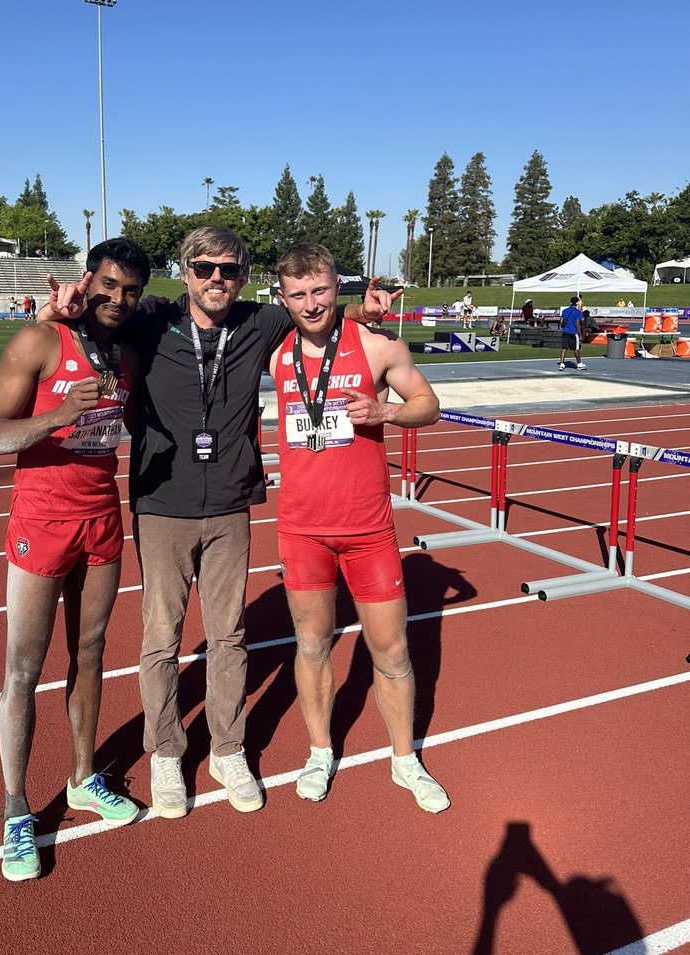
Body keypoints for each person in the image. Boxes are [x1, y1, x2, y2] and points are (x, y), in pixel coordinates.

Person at [39, 226, 396, 820]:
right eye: (204, 268)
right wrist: (66, 317)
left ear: (242, 276)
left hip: (230, 503)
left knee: (229, 634)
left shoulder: (260, 323)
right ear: (185, 271)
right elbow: (94, 324)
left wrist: (362, 307)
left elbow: (314, 314)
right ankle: (164, 753)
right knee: (162, 637)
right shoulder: (149, 317)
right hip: (162, 504)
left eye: (228, 270)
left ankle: (228, 749)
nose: (215, 279)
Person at [0, 238, 151, 882]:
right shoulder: (39, 342)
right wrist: (55, 414)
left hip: (103, 516)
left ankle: (82, 777)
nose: (118, 299)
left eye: (130, 291)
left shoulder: (127, 351)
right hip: (41, 520)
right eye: (107, 285)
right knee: (23, 669)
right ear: (88, 279)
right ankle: (17, 809)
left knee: (92, 651)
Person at [269, 243, 449, 813]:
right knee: (312, 644)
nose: (311, 303)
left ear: (336, 287)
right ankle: (320, 750)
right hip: (303, 530)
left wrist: (386, 412)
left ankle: (404, 759)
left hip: (368, 529)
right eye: (298, 294)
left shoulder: (378, 348)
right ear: (283, 298)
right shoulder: (274, 353)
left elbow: (429, 403)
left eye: (320, 290)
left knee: (391, 650)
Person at [559, 296, 586, 371]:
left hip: (565, 331)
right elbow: (578, 324)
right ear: (577, 303)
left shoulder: (564, 311)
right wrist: (580, 334)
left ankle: (561, 363)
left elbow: (561, 321)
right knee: (576, 349)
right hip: (573, 332)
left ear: (570, 302)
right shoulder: (578, 312)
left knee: (564, 348)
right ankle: (579, 364)